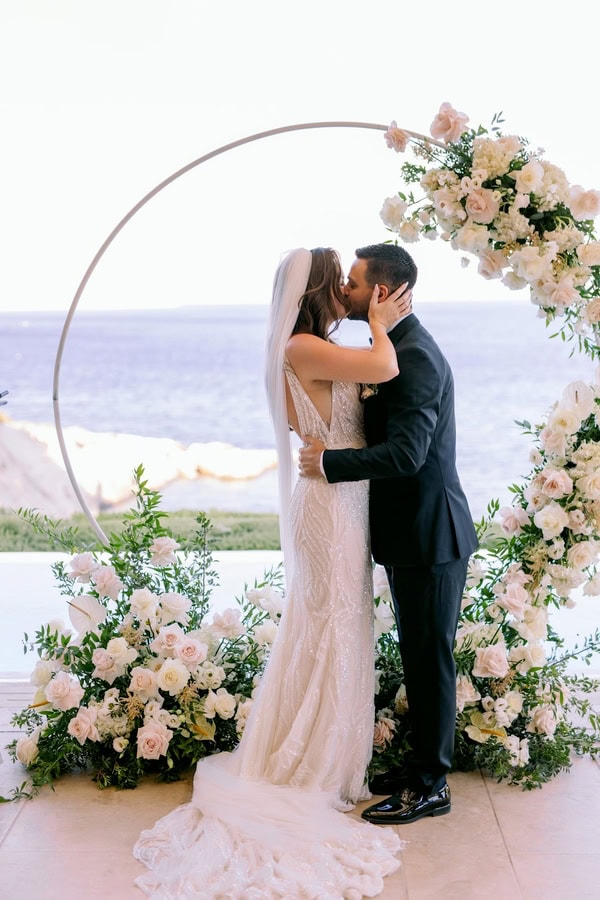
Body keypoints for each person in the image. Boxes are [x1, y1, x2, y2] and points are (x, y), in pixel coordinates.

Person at [133, 247, 412, 898]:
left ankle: (332, 758)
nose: (349, 289)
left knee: (339, 623)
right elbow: (385, 363)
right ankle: (310, 763)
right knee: (331, 624)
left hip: (342, 496)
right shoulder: (301, 349)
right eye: (340, 280)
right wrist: (379, 320)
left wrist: (364, 322)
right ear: (320, 291)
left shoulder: (312, 344)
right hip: (328, 507)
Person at [300, 243, 478, 826]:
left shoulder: (417, 356)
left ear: (379, 292)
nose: (345, 291)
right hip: (408, 536)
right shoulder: (392, 348)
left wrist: (329, 464)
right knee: (418, 654)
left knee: (430, 660)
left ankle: (432, 786)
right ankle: (419, 765)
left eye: (353, 283)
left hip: (432, 537)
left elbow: (406, 454)